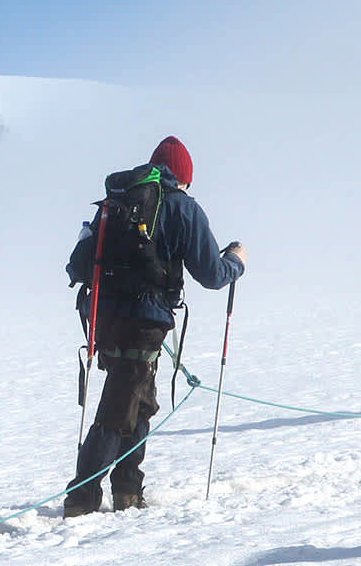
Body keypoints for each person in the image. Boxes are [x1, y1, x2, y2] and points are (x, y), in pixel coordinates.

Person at [64, 135, 246, 516]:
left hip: (105, 318)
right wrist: (236, 262)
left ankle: (128, 493)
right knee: (119, 410)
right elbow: (212, 274)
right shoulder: (181, 207)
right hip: (145, 320)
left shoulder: (119, 203)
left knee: (139, 403)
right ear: (183, 177)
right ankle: (81, 499)